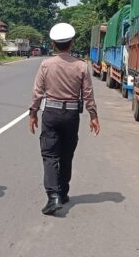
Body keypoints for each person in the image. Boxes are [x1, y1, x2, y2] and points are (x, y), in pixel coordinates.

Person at [29, 23, 100, 215]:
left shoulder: (46, 64)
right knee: (67, 154)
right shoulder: (81, 66)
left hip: (51, 114)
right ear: (72, 43)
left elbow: (37, 92)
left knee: (50, 155)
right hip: (71, 116)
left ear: (53, 45)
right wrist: (93, 115)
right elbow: (88, 94)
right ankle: (62, 191)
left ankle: (53, 197)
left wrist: (33, 113)